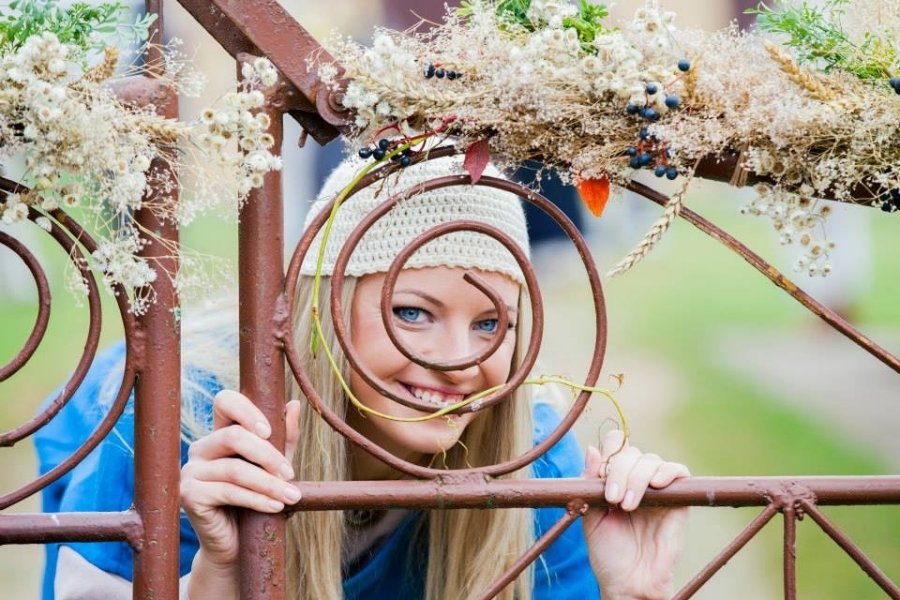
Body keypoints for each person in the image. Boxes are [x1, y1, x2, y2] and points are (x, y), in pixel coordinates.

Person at [37, 152, 690, 600]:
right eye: (412, 311)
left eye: (491, 325)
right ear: (323, 313)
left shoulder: (536, 460)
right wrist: (220, 573)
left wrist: (633, 593)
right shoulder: (176, 423)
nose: (458, 359)